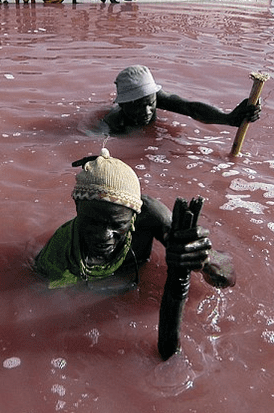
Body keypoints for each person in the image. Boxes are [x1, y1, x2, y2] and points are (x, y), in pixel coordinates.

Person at [33, 148, 234, 291]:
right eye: (93, 222)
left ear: (135, 216)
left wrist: (207, 261)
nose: (104, 236)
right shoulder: (58, 255)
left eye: (117, 225)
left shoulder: (149, 215)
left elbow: (227, 273)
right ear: (77, 208)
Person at [102, 65, 261, 134]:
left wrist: (229, 119)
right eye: (137, 106)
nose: (147, 111)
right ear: (122, 105)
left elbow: (192, 109)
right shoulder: (115, 122)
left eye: (150, 103)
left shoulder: (157, 97)